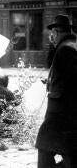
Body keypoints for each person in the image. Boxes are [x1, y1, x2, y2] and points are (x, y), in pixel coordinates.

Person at [36, 14, 77, 168]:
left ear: (58, 32)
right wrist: (54, 82)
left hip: (62, 114)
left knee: (45, 148)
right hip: (65, 115)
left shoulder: (66, 49)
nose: (51, 36)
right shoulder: (68, 45)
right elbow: (65, 74)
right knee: (68, 153)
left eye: (52, 32)